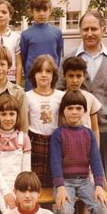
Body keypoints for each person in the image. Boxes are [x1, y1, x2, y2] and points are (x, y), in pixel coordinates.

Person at [56, 10, 107, 198]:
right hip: (73, 129)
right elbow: (59, 92)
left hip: (102, 127)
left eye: (94, 28)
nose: (89, 33)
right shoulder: (69, 59)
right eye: (85, 29)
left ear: (103, 29)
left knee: (101, 173)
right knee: (76, 175)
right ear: (80, 31)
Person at [51, 90, 107, 214]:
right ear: (63, 112)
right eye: (70, 108)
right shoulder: (58, 134)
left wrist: (99, 185)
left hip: (84, 180)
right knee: (64, 211)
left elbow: (96, 161)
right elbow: (55, 162)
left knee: (101, 206)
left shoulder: (88, 134)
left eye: (78, 108)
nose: (74, 112)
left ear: (84, 111)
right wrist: (60, 187)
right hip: (65, 182)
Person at [61, 56, 103, 214]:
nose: (75, 80)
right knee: (68, 195)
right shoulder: (60, 97)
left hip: (86, 153)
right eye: (71, 76)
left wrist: (96, 151)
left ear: (84, 76)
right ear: (65, 76)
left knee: (89, 191)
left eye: (79, 76)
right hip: (68, 153)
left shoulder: (90, 98)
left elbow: (95, 128)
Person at [0, 94, 31, 214]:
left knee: (23, 211)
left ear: (17, 115)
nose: (8, 118)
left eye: (12, 114)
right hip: (0, 186)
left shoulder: (23, 138)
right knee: (8, 212)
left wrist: (19, 191)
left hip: (20, 185)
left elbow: (26, 170)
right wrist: (7, 192)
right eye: (3, 114)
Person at [26, 54, 64, 189]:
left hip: (54, 141)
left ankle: (49, 210)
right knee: (35, 183)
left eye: (48, 71)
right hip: (34, 141)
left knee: (52, 182)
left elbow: (62, 121)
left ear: (53, 75)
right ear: (33, 74)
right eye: (39, 71)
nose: (43, 75)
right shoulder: (28, 96)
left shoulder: (60, 96)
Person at [20, 0, 63, 91]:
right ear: (31, 12)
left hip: (51, 79)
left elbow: (58, 56)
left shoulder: (57, 32)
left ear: (50, 11)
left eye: (45, 10)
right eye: (38, 10)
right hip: (32, 81)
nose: (41, 14)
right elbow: (24, 58)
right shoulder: (26, 34)